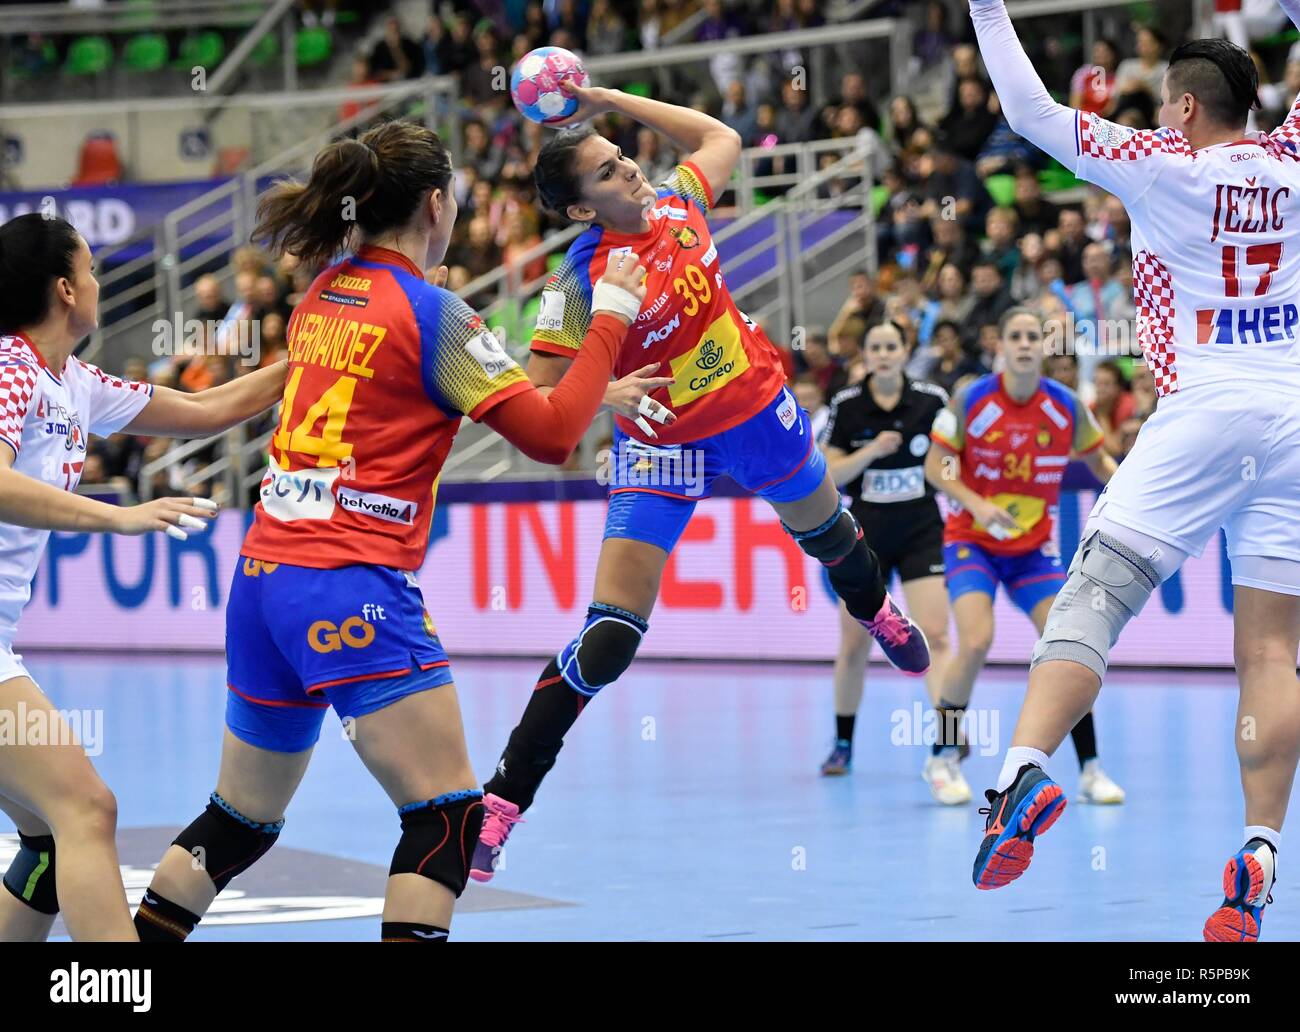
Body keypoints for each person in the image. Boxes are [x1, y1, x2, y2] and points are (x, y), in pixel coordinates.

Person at [131, 120, 648, 944]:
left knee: (237, 823)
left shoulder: (321, 296)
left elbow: (414, 372)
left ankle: (125, 975)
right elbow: (551, 439)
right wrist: (611, 315)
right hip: (351, 586)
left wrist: (585, 386)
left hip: (263, 582)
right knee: (447, 819)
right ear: (437, 205)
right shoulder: (435, 312)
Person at [470, 85, 932, 883]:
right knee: (609, 637)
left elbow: (720, 132)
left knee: (829, 537)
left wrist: (591, 94)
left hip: (751, 407)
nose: (632, 173)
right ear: (582, 212)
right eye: (609, 176)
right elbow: (539, 400)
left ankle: (873, 610)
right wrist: (602, 390)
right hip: (659, 443)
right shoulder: (576, 281)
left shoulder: (680, 202)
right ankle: (503, 802)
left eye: (623, 158)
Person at [968, 0, 1300, 943]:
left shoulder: (1164, 168)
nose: (1158, 119)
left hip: (1204, 411)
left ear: (1186, 112)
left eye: (1163, 104)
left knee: (1093, 603)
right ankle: (1260, 853)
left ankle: (1019, 778)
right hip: (1295, 416)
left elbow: (1031, 113)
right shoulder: (1294, 158)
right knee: (1272, 652)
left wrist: (988, 9)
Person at [0, 213, 287, 941]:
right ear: (66, 288)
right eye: (92, 270)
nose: (98, 282)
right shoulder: (8, 364)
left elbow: (209, 407)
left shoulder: (75, 382)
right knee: (85, 810)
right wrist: (118, 517)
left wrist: (323, 351)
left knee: (46, 840)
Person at [923, 308, 1124, 806]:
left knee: (1071, 646)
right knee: (974, 641)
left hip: (1034, 550)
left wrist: (1129, 495)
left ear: (1043, 345)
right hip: (972, 540)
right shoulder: (972, 399)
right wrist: (977, 504)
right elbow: (935, 464)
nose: (1024, 344)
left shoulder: (1066, 407)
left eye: (1033, 336)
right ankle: (943, 755)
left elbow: (1098, 459)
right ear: (1001, 346)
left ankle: (1091, 769)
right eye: (1015, 336)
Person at [817, 323, 952, 775]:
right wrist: (872, 451)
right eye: (875, 347)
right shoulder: (847, 404)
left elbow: (955, 459)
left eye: (891, 346)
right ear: (866, 355)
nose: (883, 354)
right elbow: (829, 473)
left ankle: (948, 744)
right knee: (854, 642)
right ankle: (842, 744)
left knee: (935, 635)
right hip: (866, 533)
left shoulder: (933, 400)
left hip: (920, 529)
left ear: (905, 351)